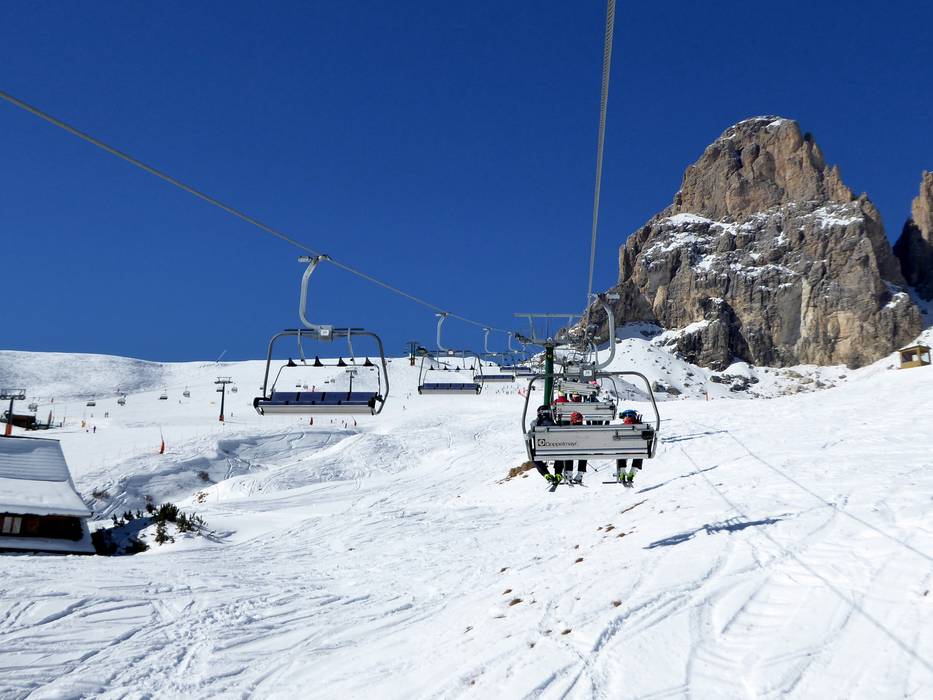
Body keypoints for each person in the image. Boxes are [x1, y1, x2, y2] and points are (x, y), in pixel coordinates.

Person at [616, 409, 643, 486]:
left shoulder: (620, 428)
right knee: (640, 453)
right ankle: (632, 473)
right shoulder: (641, 427)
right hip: (638, 451)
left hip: (624, 450)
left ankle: (622, 472)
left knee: (620, 452)